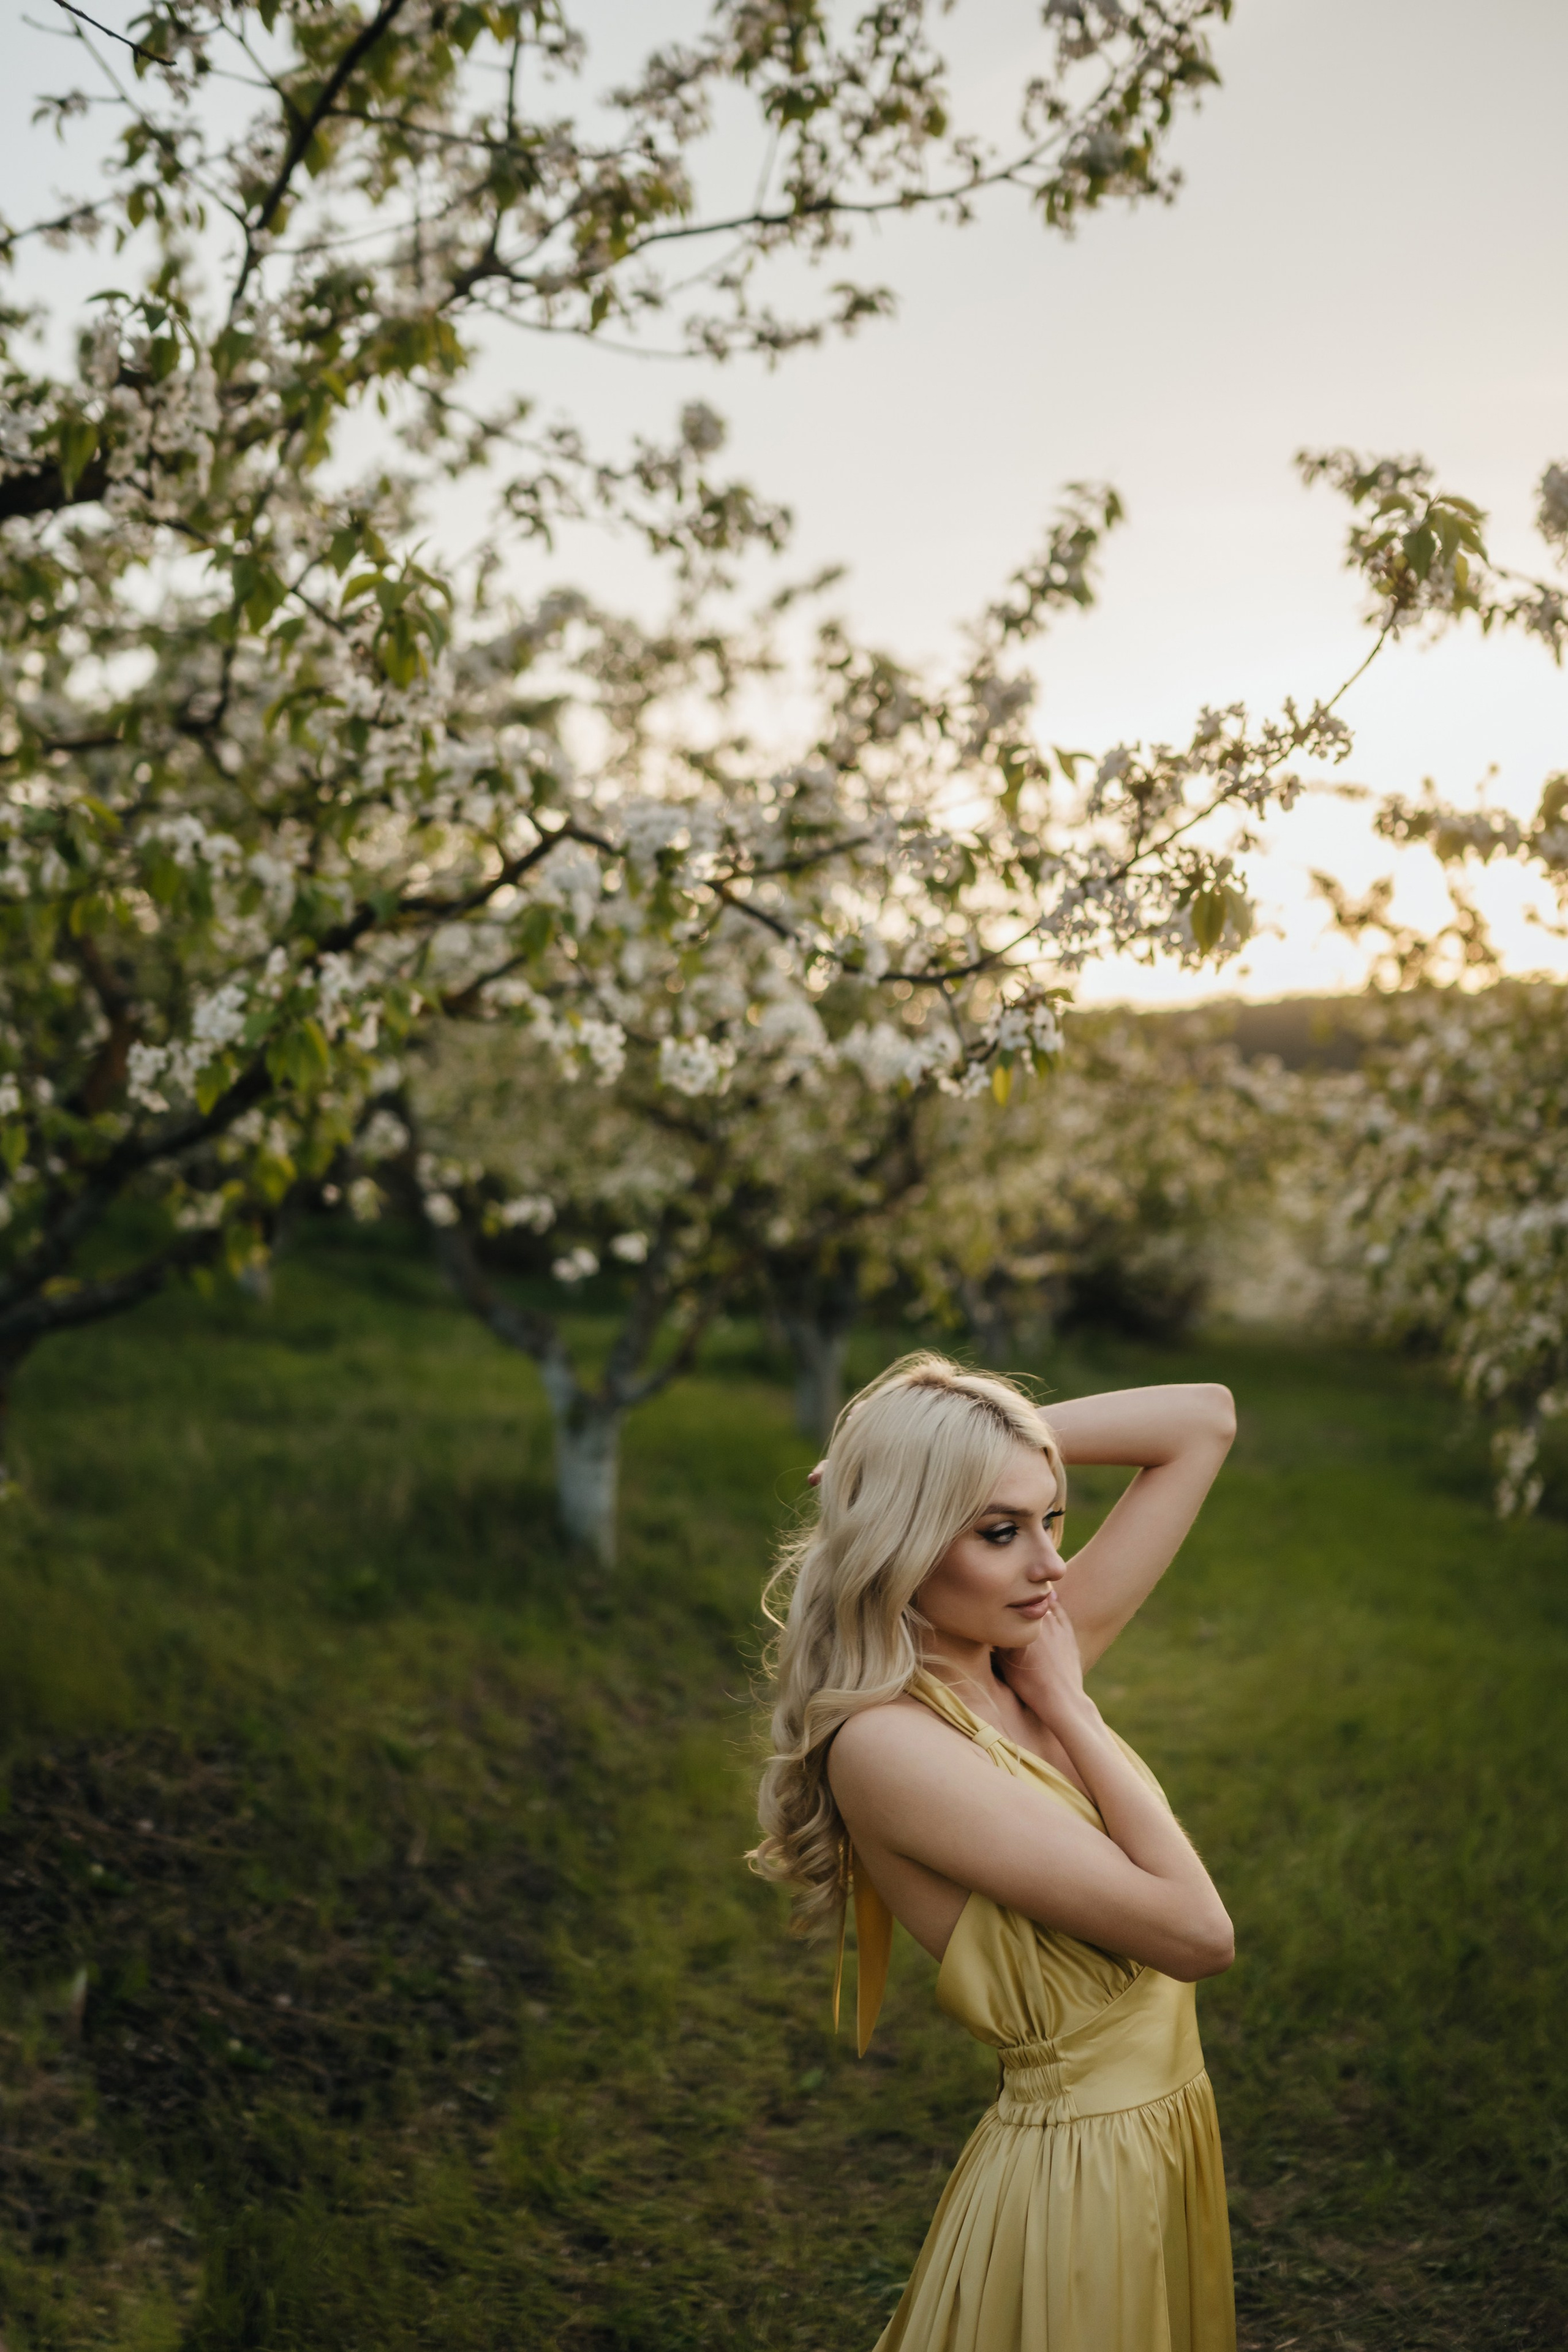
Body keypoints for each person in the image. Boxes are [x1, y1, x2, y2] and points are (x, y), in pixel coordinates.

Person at [753, 1352, 1238, 2352]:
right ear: (906, 1540)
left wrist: (957, 1434)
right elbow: (1198, 1934)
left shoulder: (1014, 1654)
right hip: (1080, 2179)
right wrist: (1074, 1709)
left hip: (1161, 2135)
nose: (1052, 1567)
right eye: (999, 1531)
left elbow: (1204, 1419)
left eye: (1050, 1520)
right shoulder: (890, 1746)